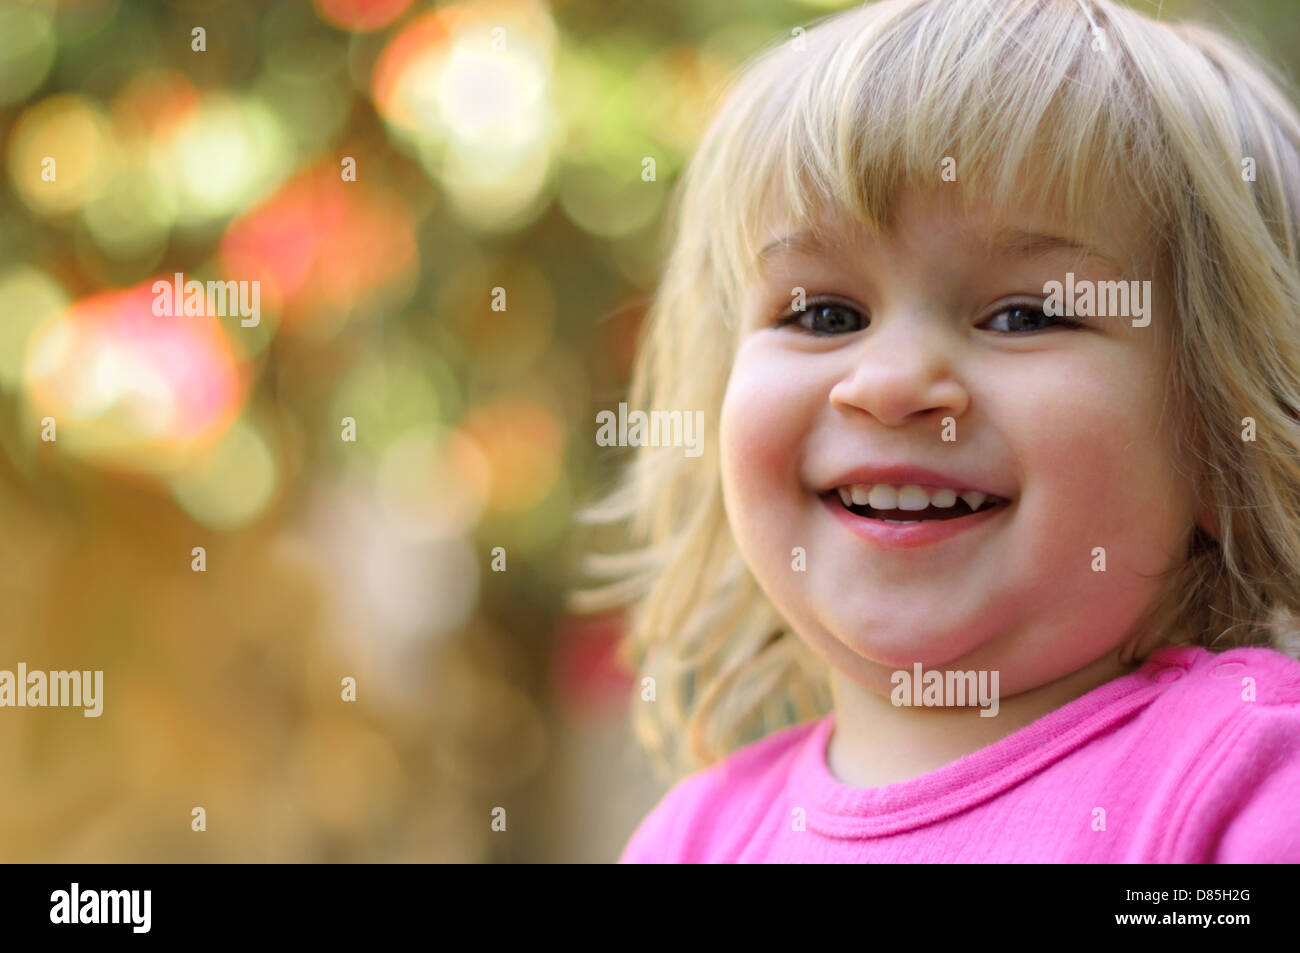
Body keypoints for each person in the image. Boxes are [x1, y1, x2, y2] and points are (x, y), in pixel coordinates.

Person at [575, 0, 1300, 862]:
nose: (888, 385)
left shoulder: (1246, 779)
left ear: (1224, 440)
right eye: (824, 311)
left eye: (1026, 316)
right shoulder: (695, 839)